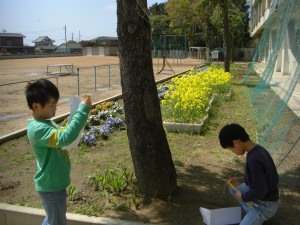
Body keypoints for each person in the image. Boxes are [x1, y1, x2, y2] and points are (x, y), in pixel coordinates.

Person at [25, 79, 92, 225]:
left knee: (53, 219)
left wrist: (71, 121)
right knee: (57, 221)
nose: (55, 110)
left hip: (54, 183)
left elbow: (60, 134)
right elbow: (64, 138)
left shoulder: (46, 122)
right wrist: (82, 112)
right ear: (36, 106)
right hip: (51, 186)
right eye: (52, 106)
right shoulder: (38, 129)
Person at [218, 123, 279, 225]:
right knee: (233, 187)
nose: (232, 151)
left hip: (265, 207)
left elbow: (260, 191)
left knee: (240, 194)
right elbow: (261, 178)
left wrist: (243, 197)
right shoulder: (258, 150)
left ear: (236, 142)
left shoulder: (254, 159)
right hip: (267, 198)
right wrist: (241, 180)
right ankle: (252, 213)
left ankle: (257, 215)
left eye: (230, 148)